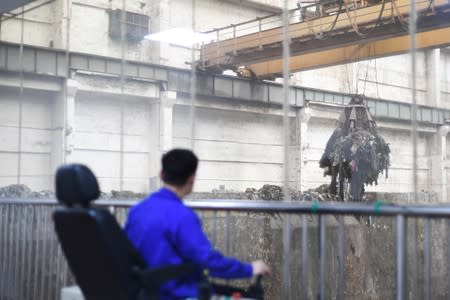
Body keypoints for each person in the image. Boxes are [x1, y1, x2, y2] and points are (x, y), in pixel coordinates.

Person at [124, 148, 271, 299]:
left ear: (162, 175)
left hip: (143, 292)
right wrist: (250, 269)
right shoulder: (183, 216)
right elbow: (208, 261)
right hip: (178, 293)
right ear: (192, 179)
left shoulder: (137, 211)